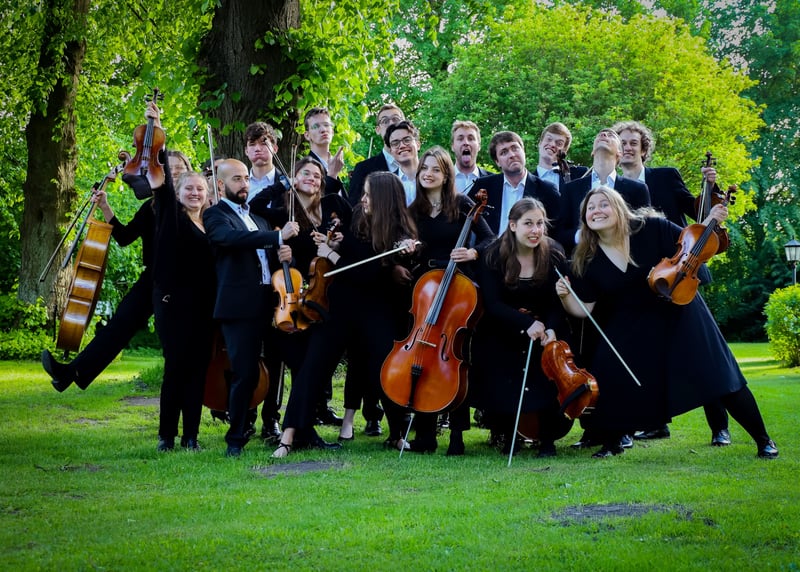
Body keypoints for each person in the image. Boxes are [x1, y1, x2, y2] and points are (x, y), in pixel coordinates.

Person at [555, 186, 778, 459]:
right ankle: (612, 442)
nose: (596, 211)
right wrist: (565, 297)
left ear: (619, 207)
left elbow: (694, 246)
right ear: (584, 218)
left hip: (678, 309)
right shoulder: (587, 258)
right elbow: (585, 309)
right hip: (631, 321)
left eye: (603, 204)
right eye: (590, 208)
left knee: (719, 373)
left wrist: (711, 222)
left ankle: (763, 439)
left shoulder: (653, 228)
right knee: (608, 367)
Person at [272, 171, 418, 457]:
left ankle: (397, 434)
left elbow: (366, 271)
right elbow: (350, 254)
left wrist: (403, 250)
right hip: (338, 306)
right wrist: (335, 244)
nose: (362, 199)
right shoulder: (357, 217)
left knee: (384, 367)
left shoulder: (399, 230)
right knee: (314, 366)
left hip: (376, 308)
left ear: (383, 199)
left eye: (368, 194)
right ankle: (288, 436)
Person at [614, 120, 732, 446]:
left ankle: (720, 426)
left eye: (633, 142)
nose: (627, 147)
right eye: (622, 142)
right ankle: (655, 424)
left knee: (702, 353)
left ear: (644, 149)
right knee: (649, 355)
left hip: (682, 273)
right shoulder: (612, 187)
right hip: (642, 280)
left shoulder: (665, 176)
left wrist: (710, 188)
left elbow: (698, 213)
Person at [251, 156, 351, 455]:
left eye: (317, 176)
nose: (312, 179)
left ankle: (300, 433)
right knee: (300, 365)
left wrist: (334, 243)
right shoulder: (284, 212)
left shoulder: (328, 214)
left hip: (319, 301)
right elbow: (255, 205)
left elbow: (346, 238)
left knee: (310, 370)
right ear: (294, 178)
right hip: (290, 299)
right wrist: (282, 184)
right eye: (305, 173)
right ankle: (302, 432)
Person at [203, 159, 299, 457]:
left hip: (269, 303)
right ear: (221, 185)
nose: (244, 183)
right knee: (244, 372)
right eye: (236, 179)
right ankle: (235, 438)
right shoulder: (215, 215)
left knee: (281, 367)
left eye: (246, 178)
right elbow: (229, 239)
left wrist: (284, 254)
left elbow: (271, 259)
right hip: (239, 306)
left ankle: (285, 427)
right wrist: (277, 237)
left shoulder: (258, 218)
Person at [404, 146, 495, 454]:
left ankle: (457, 435)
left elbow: (490, 239)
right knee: (424, 356)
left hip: (457, 285)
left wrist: (472, 252)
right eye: (424, 168)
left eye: (435, 169)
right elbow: (407, 246)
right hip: (425, 286)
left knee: (456, 357)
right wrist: (407, 247)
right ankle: (425, 435)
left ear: (446, 176)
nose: (428, 174)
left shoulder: (462, 203)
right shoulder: (414, 209)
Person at [471, 198, 571, 457]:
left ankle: (547, 440)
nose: (535, 230)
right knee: (501, 365)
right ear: (513, 225)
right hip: (503, 327)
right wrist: (526, 324)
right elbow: (493, 303)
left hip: (544, 328)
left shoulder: (554, 253)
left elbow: (557, 300)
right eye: (528, 224)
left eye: (540, 223)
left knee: (547, 370)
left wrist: (551, 329)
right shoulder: (493, 255)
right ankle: (509, 437)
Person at [42, 176, 156, 393]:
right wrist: (104, 206)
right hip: (152, 278)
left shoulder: (193, 207)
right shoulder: (151, 207)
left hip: (181, 282)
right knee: (120, 323)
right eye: (170, 170)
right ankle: (72, 372)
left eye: (179, 170)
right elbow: (124, 237)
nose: (174, 175)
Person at [151, 168, 216, 451]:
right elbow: (162, 190)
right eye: (188, 188)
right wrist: (159, 145)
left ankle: (191, 436)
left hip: (205, 307)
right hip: (175, 305)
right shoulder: (172, 218)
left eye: (200, 189)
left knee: (198, 371)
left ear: (208, 194)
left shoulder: (211, 223)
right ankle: (166, 436)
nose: (195, 193)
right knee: (176, 368)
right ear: (178, 193)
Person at [556, 128, 651, 256]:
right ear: (592, 152)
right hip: (582, 262)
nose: (603, 134)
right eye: (599, 135)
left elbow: (645, 232)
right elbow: (559, 233)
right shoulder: (571, 189)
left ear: (620, 153)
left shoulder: (638, 189)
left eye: (611, 135)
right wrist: (582, 235)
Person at [469, 131, 560, 236]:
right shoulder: (483, 186)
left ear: (523, 151)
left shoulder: (547, 190)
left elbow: (557, 232)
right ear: (497, 162)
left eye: (515, 148)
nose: (512, 155)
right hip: (491, 246)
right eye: (504, 152)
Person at [347, 103, 405, 207]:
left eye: (395, 119)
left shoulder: (419, 169)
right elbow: (355, 208)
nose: (391, 124)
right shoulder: (363, 169)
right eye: (385, 121)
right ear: (378, 130)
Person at [303, 106, 346, 197]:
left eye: (326, 125)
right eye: (316, 126)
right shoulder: (303, 168)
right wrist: (332, 175)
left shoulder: (334, 165)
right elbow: (313, 203)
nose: (323, 130)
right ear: (307, 135)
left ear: (332, 132)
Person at [534, 122, 588, 191]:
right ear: (540, 143)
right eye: (549, 139)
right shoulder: (526, 181)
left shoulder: (580, 175)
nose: (552, 144)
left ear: (564, 151)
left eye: (559, 143)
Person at [384, 120, 421, 205]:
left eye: (407, 140)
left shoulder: (434, 177)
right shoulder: (387, 185)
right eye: (395, 143)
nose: (402, 146)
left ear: (418, 144)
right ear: (391, 151)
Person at [450, 120, 492, 194]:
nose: (466, 143)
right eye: (460, 139)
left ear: (479, 146)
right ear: (452, 146)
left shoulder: (493, 181)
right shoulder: (442, 179)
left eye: (470, 138)